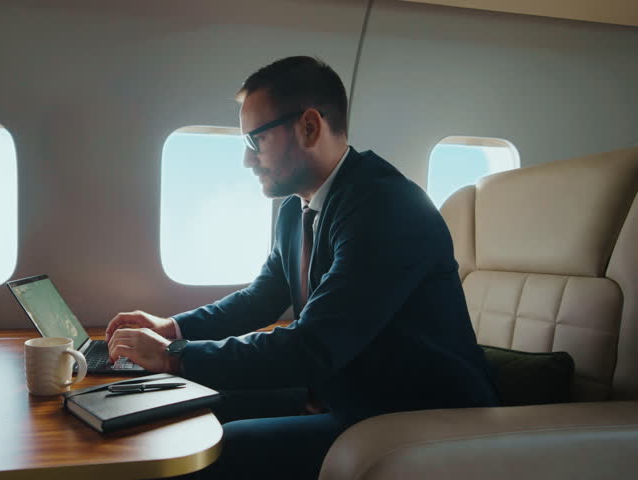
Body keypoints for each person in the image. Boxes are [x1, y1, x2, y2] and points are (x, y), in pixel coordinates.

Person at [105, 56, 499, 479]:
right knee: (186, 403)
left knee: (220, 448)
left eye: (255, 141)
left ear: (309, 126)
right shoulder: (298, 211)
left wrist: (174, 357)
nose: (247, 160)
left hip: (416, 414)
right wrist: (174, 330)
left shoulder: (387, 208)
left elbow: (313, 346)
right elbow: (260, 298)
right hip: (344, 389)